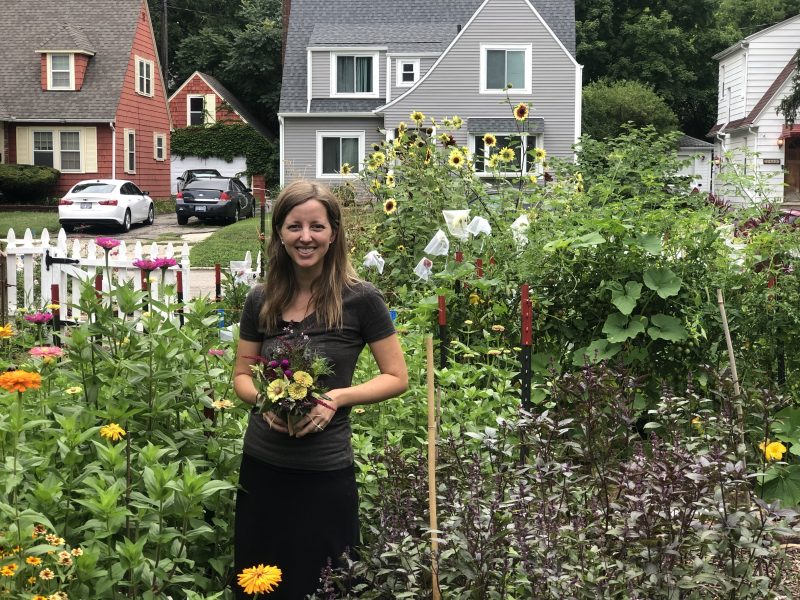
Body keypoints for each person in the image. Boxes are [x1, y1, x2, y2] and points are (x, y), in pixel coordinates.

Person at [232, 180, 408, 599]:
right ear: (279, 233)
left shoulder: (361, 300)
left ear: (334, 233)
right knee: (260, 583)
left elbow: (397, 377)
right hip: (264, 467)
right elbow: (241, 376)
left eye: (316, 226)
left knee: (327, 583)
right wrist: (264, 400)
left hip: (325, 471)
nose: (305, 237)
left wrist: (336, 398)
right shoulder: (262, 299)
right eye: (294, 227)